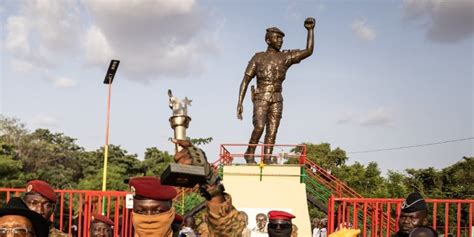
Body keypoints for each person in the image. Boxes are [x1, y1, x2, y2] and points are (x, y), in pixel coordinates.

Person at [237, 17, 316, 164]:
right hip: (261, 96)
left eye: (282, 38)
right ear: (268, 40)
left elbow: (309, 51)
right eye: (277, 37)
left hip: (277, 98)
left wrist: (310, 30)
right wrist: (239, 102)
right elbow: (246, 80)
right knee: (259, 126)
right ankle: (249, 152)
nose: (280, 40)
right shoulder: (258, 58)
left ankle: (267, 157)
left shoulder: (285, 57)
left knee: (272, 131)